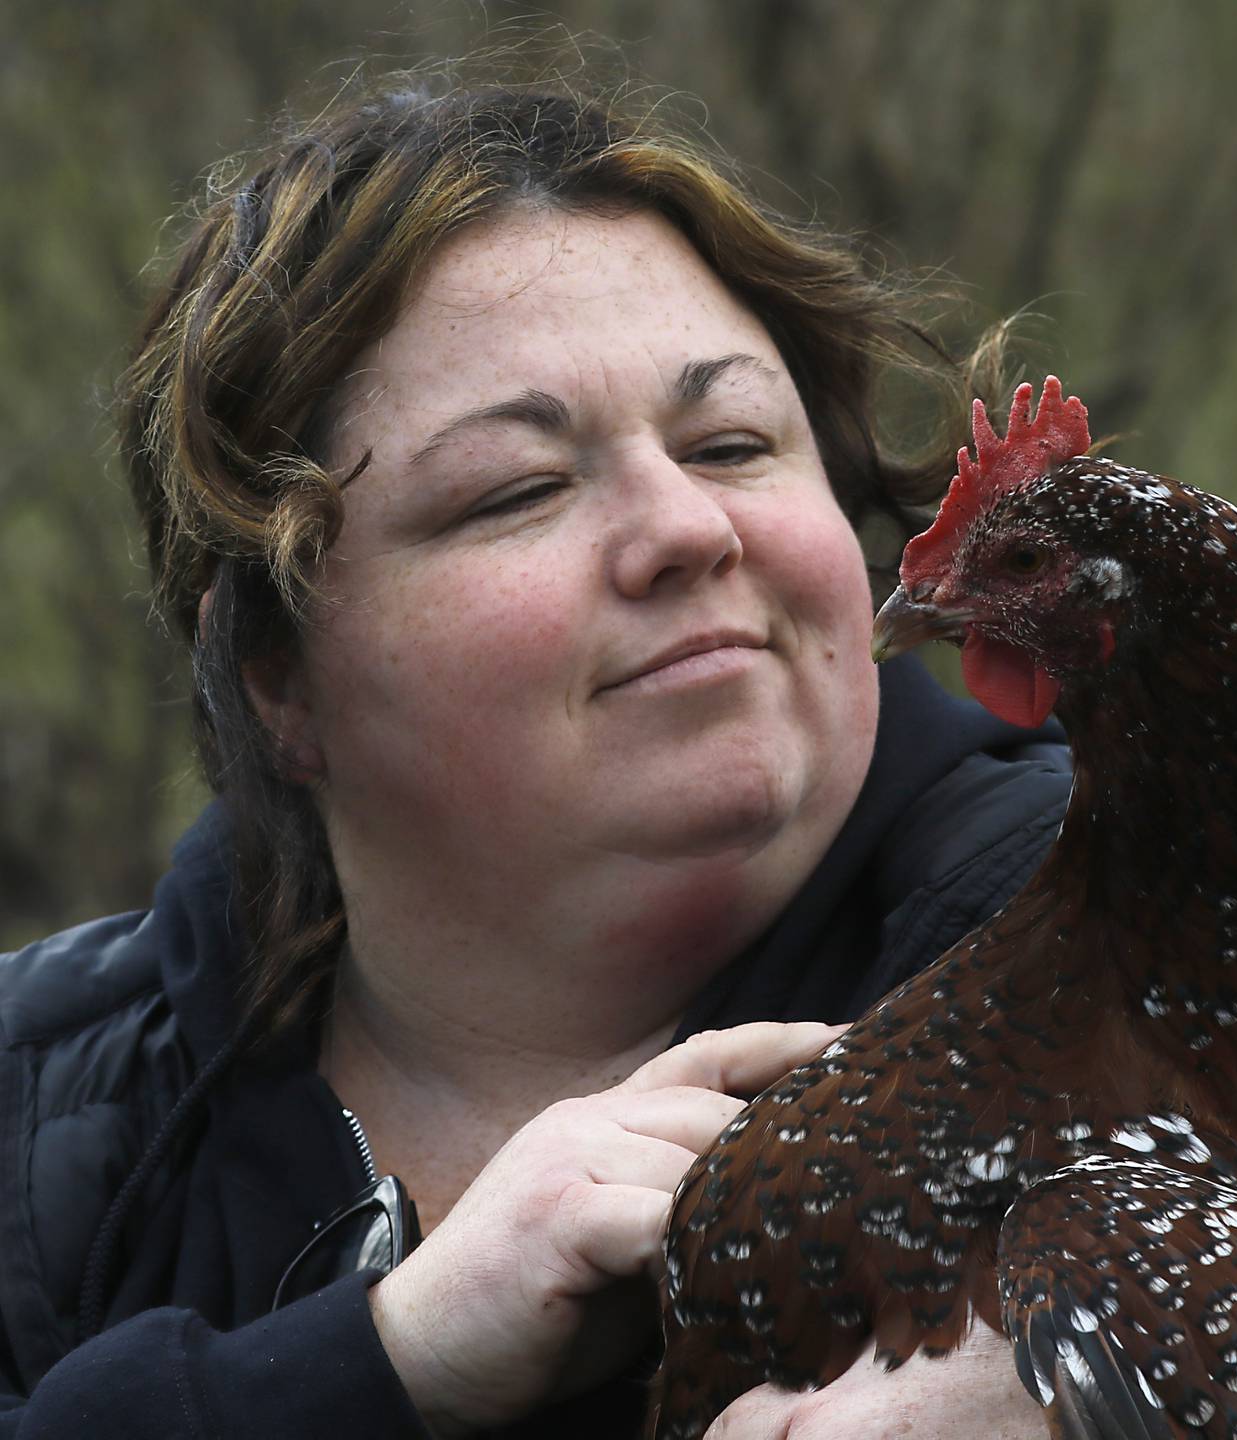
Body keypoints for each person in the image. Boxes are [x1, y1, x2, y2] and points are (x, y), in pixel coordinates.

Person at [0, 67, 1077, 1437]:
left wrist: (1141, 1390)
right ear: (277, 679)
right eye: (520, 490)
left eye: (733, 441)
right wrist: (380, 1362)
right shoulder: (43, 1124)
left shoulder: (1193, 968)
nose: (687, 526)